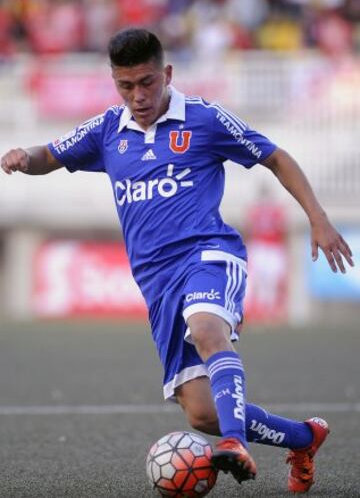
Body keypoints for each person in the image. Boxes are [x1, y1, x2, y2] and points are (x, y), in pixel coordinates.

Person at [1, 28, 354, 493]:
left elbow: (276, 157)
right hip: (157, 283)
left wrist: (318, 217)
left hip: (209, 254)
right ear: (114, 82)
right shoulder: (109, 129)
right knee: (202, 413)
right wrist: (25, 156)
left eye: (147, 82)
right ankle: (304, 438)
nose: (138, 95)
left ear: (166, 74)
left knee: (208, 329)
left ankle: (234, 442)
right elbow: (52, 155)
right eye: (126, 86)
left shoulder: (205, 119)